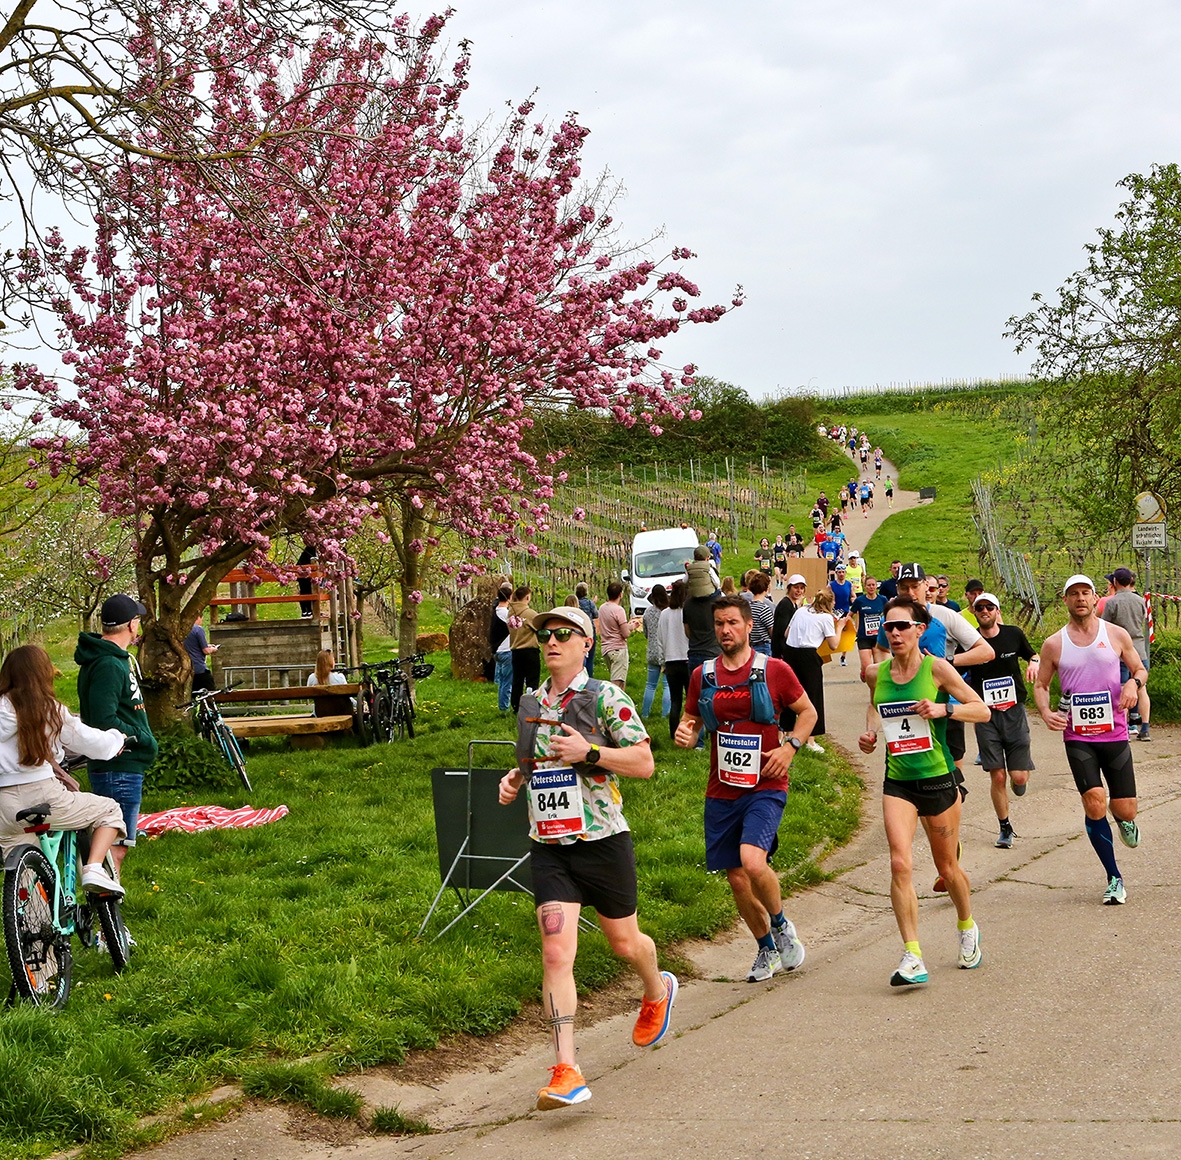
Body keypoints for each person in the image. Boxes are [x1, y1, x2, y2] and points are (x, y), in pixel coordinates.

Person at [498, 605, 674, 1110]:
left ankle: (657, 989)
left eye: (563, 634)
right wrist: (516, 779)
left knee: (625, 943)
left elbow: (644, 762)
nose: (552, 642)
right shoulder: (531, 703)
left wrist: (590, 753)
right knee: (556, 953)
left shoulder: (606, 697)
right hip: (549, 846)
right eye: (545, 636)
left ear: (587, 643)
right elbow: (534, 764)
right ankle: (566, 1070)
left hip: (603, 842)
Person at [675, 595, 817, 981]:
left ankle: (781, 925)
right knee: (737, 878)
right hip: (721, 789)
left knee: (753, 862)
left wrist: (790, 747)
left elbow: (808, 712)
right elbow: (691, 721)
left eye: (733, 623)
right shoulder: (702, 675)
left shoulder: (775, 670)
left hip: (766, 783)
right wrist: (686, 735)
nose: (725, 630)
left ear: (749, 626)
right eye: (720, 624)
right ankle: (765, 948)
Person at [859, 597, 990, 986]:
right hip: (898, 780)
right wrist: (870, 734)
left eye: (902, 626)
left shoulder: (938, 669)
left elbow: (981, 710)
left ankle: (966, 925)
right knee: (900, 863)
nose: (894, 633)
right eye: (889, 627)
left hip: (937, 778)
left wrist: (944, 710)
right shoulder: (875, 673)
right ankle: (912, 955)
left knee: (947, 869)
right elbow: (875, 707)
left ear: (920, 630)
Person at [1034, 575, 1147, 905]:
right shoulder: (1054, 643)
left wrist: (1133, 685)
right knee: (1094, 801)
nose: (1080, 598)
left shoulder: (1115, 634)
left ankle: (1123, 819)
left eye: (1085, 593)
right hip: (1077, 736)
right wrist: (1045, 712)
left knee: (1125, 808)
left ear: (1095, 598)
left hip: (1115, 732)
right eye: (1074, 594)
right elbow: (1041, 685)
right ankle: (1114, 878)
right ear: (1065, 601)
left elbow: (1139, 669)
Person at [0, 645, 129, 896]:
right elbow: (91, 741)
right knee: (109, 809)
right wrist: (117, 739)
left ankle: (29, 918)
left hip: (4, 804)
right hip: (43, 794)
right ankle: (93, 868)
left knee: (27, 883)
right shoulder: (49, 709)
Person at [75, 594, 159, 875]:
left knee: (117, 845)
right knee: (115, 848)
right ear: (132, 625)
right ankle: (106, 901)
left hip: (124, 766)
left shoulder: (114, 660)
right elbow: (104, 719)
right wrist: (142, 737)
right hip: (118, 767)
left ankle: (107, 898)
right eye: (137, 620)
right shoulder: (108, 665)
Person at [964, 593, 1039, 848]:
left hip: (1014, 712)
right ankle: (1004, 827)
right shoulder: (970, 641)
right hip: (985, 715)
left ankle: (1019, 779)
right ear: (974, 612)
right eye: (980, 608)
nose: (984, 611)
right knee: (997, 776)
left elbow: (1033, 654)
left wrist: (1034, 663)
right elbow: (954, 670)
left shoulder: (1012, 634)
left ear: (997, 611)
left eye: (989, 607)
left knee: (1018, 778)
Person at [783, 587, 847, 753]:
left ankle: (786, 732)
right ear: (830, 603)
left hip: (790, 652)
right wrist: (839, 627)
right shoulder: (826, 617)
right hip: (808, 655)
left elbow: (786, 633)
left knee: (790, 693)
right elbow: (833, 644)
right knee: (813, 696)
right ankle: (810, 739)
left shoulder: (801, 610)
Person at [1102, 567, 1151, 740]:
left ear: (1115, 582)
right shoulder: (1140, 601)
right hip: (1139, 649)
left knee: (1122, 689)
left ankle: (1124, 729)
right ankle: (1145, 728)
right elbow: (1144, 619)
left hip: (1120, 652)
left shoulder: (1112, 603)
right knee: (1141, 688)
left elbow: (1105, 626)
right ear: (1130, 581)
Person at [660, 580, 691, 741]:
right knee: (691, 700)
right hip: (687, 658)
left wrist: (663, 661)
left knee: (675, 700)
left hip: (671, 660)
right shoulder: (687, 611)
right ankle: (691, 730)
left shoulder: (665, 614)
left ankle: (673, 733)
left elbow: (660, 638)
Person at [598, 580, 638, 692]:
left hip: (606, 648)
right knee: (617, 684)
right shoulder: (619, 610)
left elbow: (615, 627)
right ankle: (610, 702)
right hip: (618, 649)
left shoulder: (602, 608)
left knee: (619, 680)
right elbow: (625, 634)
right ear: (620, 594)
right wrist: (630, 629)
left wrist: (630, 626)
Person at [640, 585, 672, 718]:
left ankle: (645, 714)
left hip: (652, 652)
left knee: (650, 685)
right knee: (667, 686)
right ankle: (665, 715)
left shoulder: (648, 612)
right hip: (666, 652)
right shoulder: (668, 612)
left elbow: (646, 633)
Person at [508, 585, 540, 712]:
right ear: (527, 597)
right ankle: (531, 704)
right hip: (530, 650)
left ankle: (516, 705)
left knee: (517, 679)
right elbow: (540, 626)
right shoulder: (529, 613)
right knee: (532, 679)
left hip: (516, 650)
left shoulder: (510, 613)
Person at [851, 575, 886, 679]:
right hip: (864, 637)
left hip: (878, 638)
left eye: (873, 585)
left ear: (876, 586)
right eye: (869, 585)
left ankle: (876, 686)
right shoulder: (860, 601)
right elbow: (850, 615)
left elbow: (890, 614)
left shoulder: (883, 599)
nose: (871, 587)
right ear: (865, 586)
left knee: (878, 668)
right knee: (867, 667)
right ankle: (863, 671)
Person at [771, 573, 808, 660]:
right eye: (796, 587)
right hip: (782, 651)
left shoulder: (793, 604)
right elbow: (782, 630)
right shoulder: (785, 604)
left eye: (801, 588)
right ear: (789, 588)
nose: (799, 591)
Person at [491, 584, 514, 712]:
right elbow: (516, 626)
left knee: (502, 682)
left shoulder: (495, 611)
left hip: (497, 651)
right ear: (509, 597)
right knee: (507, 682)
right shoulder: (505, 613)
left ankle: (502, 706)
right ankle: (504, 707)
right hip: (506, 651)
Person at [184, 619, 218, 693]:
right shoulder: (198, 629)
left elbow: (193, 645)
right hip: (199, 669)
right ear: (198, 617)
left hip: (185, 670)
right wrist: (213, 649)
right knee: (210, 693)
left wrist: (207, 645)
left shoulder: (181, 629)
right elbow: (206, 651)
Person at [575, 583, 599, 677]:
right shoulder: (590, 603)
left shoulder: (575, 603)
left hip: (578, 632)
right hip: (590, 632)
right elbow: (596, 615)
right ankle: (589, 678)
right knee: (590, 659)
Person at [747, 572, 774, 656]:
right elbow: (772, 631)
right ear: (767, 589)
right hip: (764, 646)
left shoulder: (748, 607)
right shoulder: (764, 609)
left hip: (751, 645)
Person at [297, 541, 317, 617]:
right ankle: (307, 610)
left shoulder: (309, 549)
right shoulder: (311, 549)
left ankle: (306, 611)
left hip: (304, 574)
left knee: (305, 591)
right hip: (305, 574)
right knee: (307, 591)